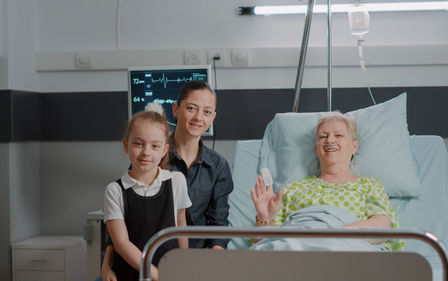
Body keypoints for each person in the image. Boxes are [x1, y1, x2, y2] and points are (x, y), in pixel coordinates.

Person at [101, 81, 234, 281]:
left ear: (213, 117)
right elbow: (126, 222)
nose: (199, 117)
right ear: (176, 109)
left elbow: (218, 226)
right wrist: (106, 264)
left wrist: (208, 268)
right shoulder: (148, 159)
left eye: (207, 112)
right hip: (142, 262)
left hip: (190, 260)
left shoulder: (219, 167)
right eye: (191, 108)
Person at [251, 112, 404, 250]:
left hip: (346, 251)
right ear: (316, 149)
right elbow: (265, 245)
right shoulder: (293, 188)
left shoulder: (369, 185)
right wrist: (265, 217)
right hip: (296, 253)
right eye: (323, 136)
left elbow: (382, 225)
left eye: (338, 135)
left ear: (354, 146)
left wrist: (335, 235)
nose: (330, 140)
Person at [103, 105, 192, 281]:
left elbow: (180, 227)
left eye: (155, 146)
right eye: (138, 144)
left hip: (169, 270)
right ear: (126, 144)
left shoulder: (176, 181)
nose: (146, 152)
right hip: (129, 274)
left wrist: (183, 266)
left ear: (165, 150)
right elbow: (120, 243)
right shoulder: (115, 191)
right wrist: (155, 274)